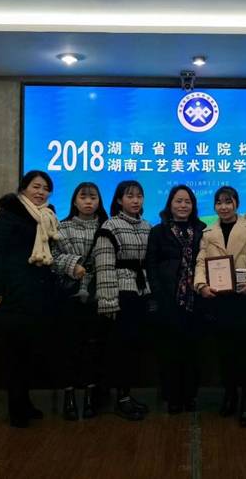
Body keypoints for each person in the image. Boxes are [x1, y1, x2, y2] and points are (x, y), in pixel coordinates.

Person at [0, 170, 59, 428]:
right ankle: (16, 409)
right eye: (36, 186)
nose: (41, 192)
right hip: (14, 293)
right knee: (14, 354)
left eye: (45, 188)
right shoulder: (9, 214)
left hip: (37, 295)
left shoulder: (47, 216)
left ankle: (25, 403)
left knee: (29, 353)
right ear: (23, 188)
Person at [194, 186, 246, 427]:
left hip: (243, 299)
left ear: (236, 203)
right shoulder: (208, 232)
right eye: (219, 202)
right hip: (219, 301)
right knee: (225, 352)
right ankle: (230, 395)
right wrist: (201, 285)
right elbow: (201, 262)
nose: (223, 207)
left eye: (228, 201)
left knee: (245, 353)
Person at [94, 180, 152, 421]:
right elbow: (104, 265)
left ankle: (126, 395)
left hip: (141, 292)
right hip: (120, 293)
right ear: (119, 200)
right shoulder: (110, 226)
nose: (135, 200)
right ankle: (119, 399)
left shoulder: (147, 226)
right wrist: (108, 301)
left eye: (139, 196)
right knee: (119, 350)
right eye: (130, 196)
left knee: (134, 348)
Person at [146, 185, 207, 414]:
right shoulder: (158, 231)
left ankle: (190, 396)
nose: (183, 205)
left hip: (196, 299)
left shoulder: (202, 230)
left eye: (187, 202)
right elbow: (151, 265)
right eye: (178, 201)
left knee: (193, 351)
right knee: (169, 351)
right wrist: (159, 294)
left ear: (193, 206)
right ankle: (172, 397)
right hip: (168, 299)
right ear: (170, 204)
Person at [52, 182, 108, 421]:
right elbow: (51, 257)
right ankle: (70, 397)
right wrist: (72, 265)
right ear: (74, 201)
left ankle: (91, 397)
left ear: (99, 201)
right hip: (69, 294)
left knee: (94, 347)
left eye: (93, 197)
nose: (88, 201)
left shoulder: (107, 227)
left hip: (99, 292)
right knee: (68, 347)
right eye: (83, 197)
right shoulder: (60, 227)